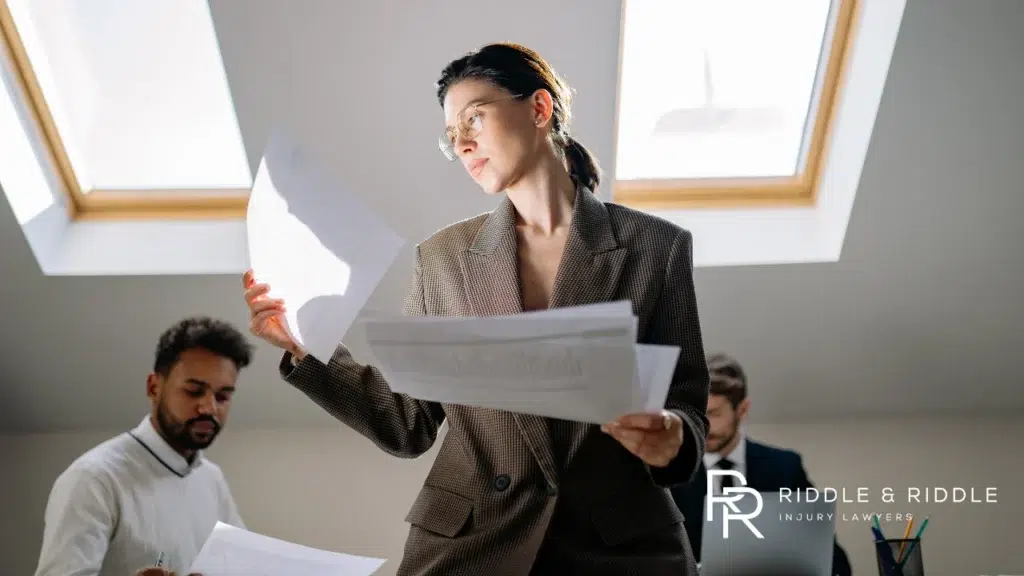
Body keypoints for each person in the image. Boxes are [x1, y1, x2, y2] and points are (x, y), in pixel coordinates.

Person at [242, 42, 710, 576]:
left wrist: (671, 434)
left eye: (475, 119)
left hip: (618, 546)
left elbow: (688, 404)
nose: (462, 144)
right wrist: (304, 350)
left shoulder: (657, 246)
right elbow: (407, 422)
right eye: (450, 136)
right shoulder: (442, 258)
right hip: (472, 543)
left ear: (539, 109)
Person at [33, 317, 252, 576]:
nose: (209, 408)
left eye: (223, 396)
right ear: (154, 387)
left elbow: (243, 566)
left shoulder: (211, 478)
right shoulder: (94, 479)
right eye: (194, 391)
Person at [670, 353, 852, 576]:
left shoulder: (786, 468)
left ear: (743, 410)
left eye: (713, 414)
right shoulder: (669, 472)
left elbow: (830, 556)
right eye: (695, 415)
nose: (701, 426)